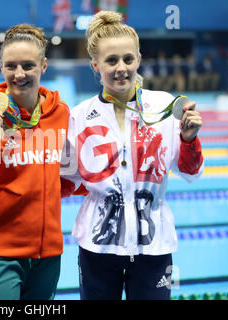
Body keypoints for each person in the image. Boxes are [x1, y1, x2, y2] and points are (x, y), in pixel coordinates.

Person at [60, 11, 204, 300]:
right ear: (95, 65)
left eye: (128, 59)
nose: (121, 68)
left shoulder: (163, 107)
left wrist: (189, 140)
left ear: (138, 59)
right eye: (111, 61)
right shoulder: (78, 118)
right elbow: (64, 181)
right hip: (98, 246)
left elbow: (190, 172)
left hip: (154, 246)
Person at [0, 24, 70, 300]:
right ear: (1, 67)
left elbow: (65, 179)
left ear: (44, 66)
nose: (19, 74)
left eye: (28, 65)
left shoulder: (61, 115)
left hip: (48, 257)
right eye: (11, 66)